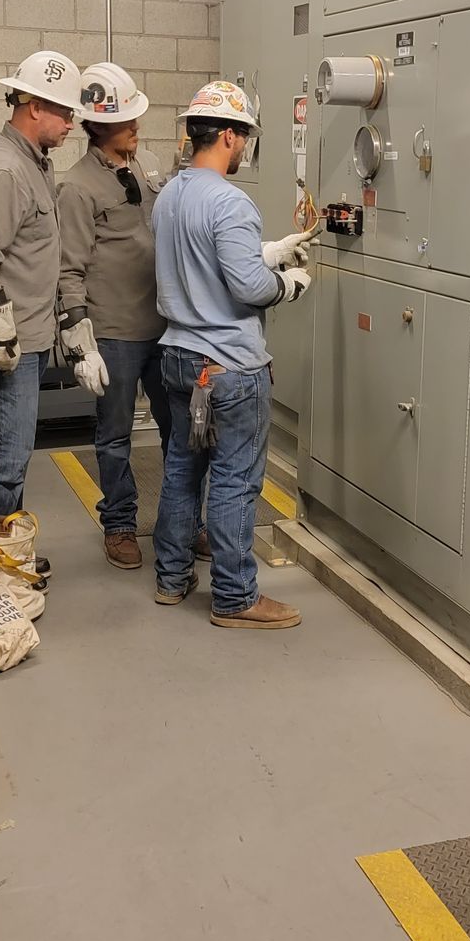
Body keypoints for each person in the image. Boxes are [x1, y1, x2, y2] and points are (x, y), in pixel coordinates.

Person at [152, 80, 313, 629]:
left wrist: (268, 250)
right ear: (226, 134)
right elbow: (247, 287)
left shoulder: (170, 195)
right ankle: (236, 597)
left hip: (178, 356)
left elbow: (201, 262)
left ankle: (171, 580)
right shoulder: (229, 200)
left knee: (181, 470)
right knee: (234, 481)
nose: (244, 149)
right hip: (227, 368)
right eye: (243, 138)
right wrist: (287, 282)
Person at [0, 52, 83, 519]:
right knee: (3, 461)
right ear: (33, 106)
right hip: (5, 347)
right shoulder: (5, 169)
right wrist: (2, 335)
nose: (72, 122)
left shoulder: (34, 164)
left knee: (11, 456)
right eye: (65, 111)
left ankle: (5, 552)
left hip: (24, 338)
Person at [57, 60, 175, 571]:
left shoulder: (147, 163)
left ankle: (183, 523)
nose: (136, 127)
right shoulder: (77, 186)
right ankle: (121, 523)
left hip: (166, 325)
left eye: (135, 118)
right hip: (115, 333)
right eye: (126, 121)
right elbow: (68, 269)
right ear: (97, 125)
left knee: (181, 429)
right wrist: (81, 341)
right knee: (115, 436)